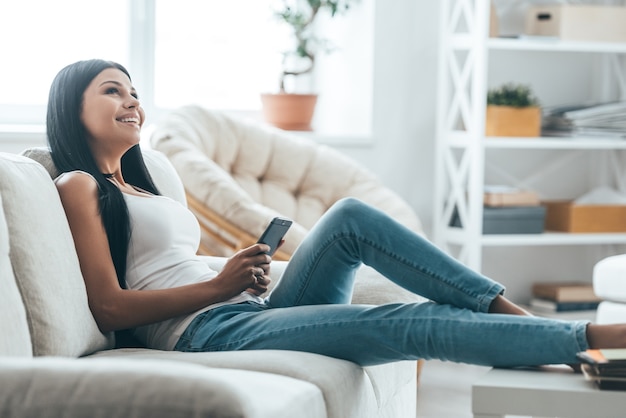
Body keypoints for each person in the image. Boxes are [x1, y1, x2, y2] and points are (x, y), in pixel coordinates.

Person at [48, 59, 626, 368]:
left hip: (241, 306)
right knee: (401, 320)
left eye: (134, 92)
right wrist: (218, 287)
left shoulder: (146, 183)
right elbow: (109, 305)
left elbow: (167, 263)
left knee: (350, 216)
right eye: (112, 91)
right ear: (72, 109)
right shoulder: (78, 184)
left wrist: (234, 271)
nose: (132, 102)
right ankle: (592, 336)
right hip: (206, 331)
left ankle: (510, 314)